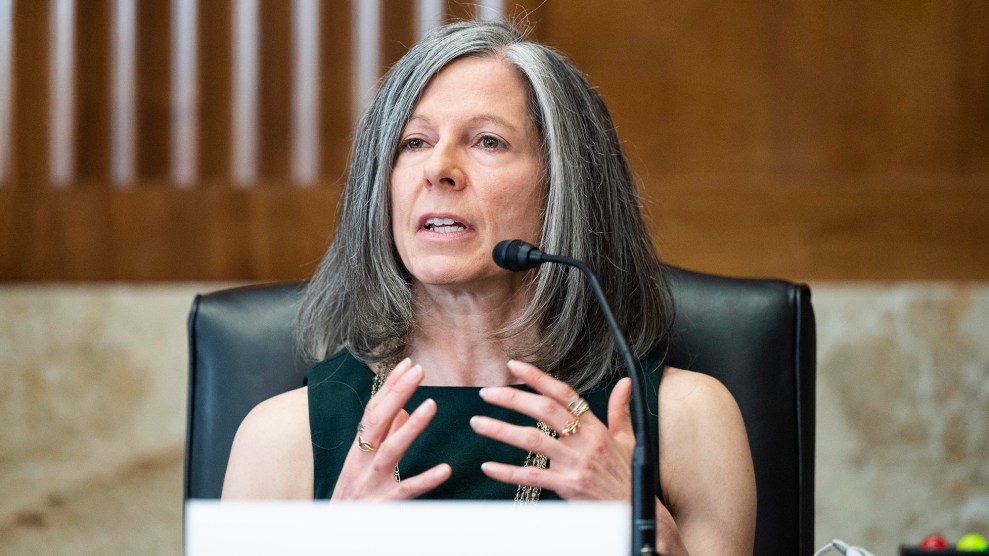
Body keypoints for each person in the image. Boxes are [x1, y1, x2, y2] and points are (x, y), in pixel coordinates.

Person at [221, 20, 755, 554]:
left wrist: (643, 531)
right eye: (415, 141)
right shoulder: (280, 440)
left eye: (487, 141)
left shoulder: (688, 420)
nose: (439, 168)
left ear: (566, 185)